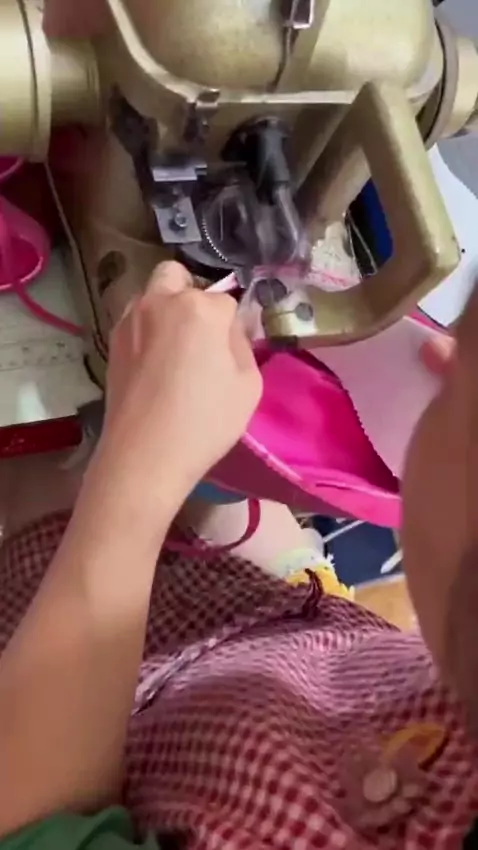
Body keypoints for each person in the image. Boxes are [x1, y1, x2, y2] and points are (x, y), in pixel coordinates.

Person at [0, 260, 475, 850]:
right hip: (288, 624)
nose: (439, 352)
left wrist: (139, 471)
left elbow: (26, 829)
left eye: (462, 381)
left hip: (65, 744)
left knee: (40, 467)